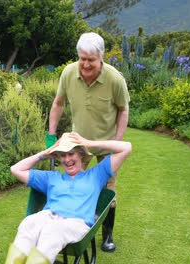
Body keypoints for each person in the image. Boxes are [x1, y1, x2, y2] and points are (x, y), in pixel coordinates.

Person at [46, 32, 130, 252]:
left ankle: (107, 235)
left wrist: (116, 143)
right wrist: (51, 135)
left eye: (90, 60)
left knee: (108, 189)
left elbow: (123, 110)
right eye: (82, 58)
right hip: (78, 144)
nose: (85, 64)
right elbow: (58, 103)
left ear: (101, 57)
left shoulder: (114, 79)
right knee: (73, 186)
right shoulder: (68, 73)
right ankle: (70, 231)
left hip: (105, 144)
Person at [5, 132, 132, 264]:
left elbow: (126, 147)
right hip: (48, 216)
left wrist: (89, 143)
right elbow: (16, 169)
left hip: (76, 222)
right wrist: (42, 155)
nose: (67, 159)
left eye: (71, 153)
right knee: (28, 223)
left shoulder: (95, 175)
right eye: (63, 155)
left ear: (81, 154)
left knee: (52, 231)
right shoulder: (52, 178)